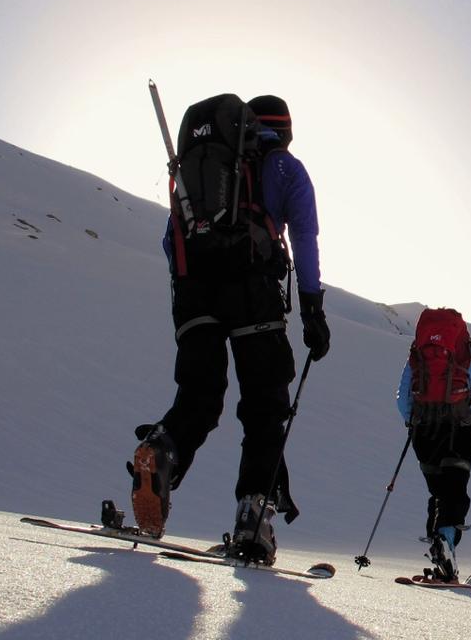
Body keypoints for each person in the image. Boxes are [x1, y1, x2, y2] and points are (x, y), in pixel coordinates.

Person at [128, 93, 330, 566]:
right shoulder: (283, 169)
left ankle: (160, 450)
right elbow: (304, 236)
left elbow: (169, 237)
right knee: (264, 407)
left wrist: (199, 283)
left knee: (199, 396)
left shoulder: (208, 172)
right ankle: (253, 516)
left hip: (193, 292)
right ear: (284, 130)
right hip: (253, 292)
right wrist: (312, 309)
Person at [396, 307, 471, 583]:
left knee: (437, 494)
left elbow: (402, 397)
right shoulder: (470, 355)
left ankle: (437, 548)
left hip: (424, 433)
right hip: (460, 430)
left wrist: (414, 421)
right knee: (454, 491)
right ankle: (445, 543)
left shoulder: (417, 355)